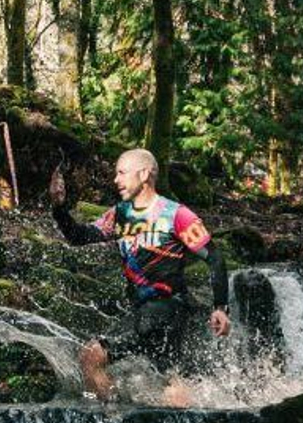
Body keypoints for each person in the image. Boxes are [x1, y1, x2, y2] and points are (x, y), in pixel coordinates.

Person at [48, 148, 231, 404]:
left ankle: (106, 418)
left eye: (122, 173)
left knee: (91, 355)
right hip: (148, 312)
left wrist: (221, 307)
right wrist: (59, 209)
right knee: (174, 389)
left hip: (168, 309)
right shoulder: (120, 213)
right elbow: (80, 237)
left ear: (144, 174)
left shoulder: (176, 214)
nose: (116, 180)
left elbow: (214, 257)